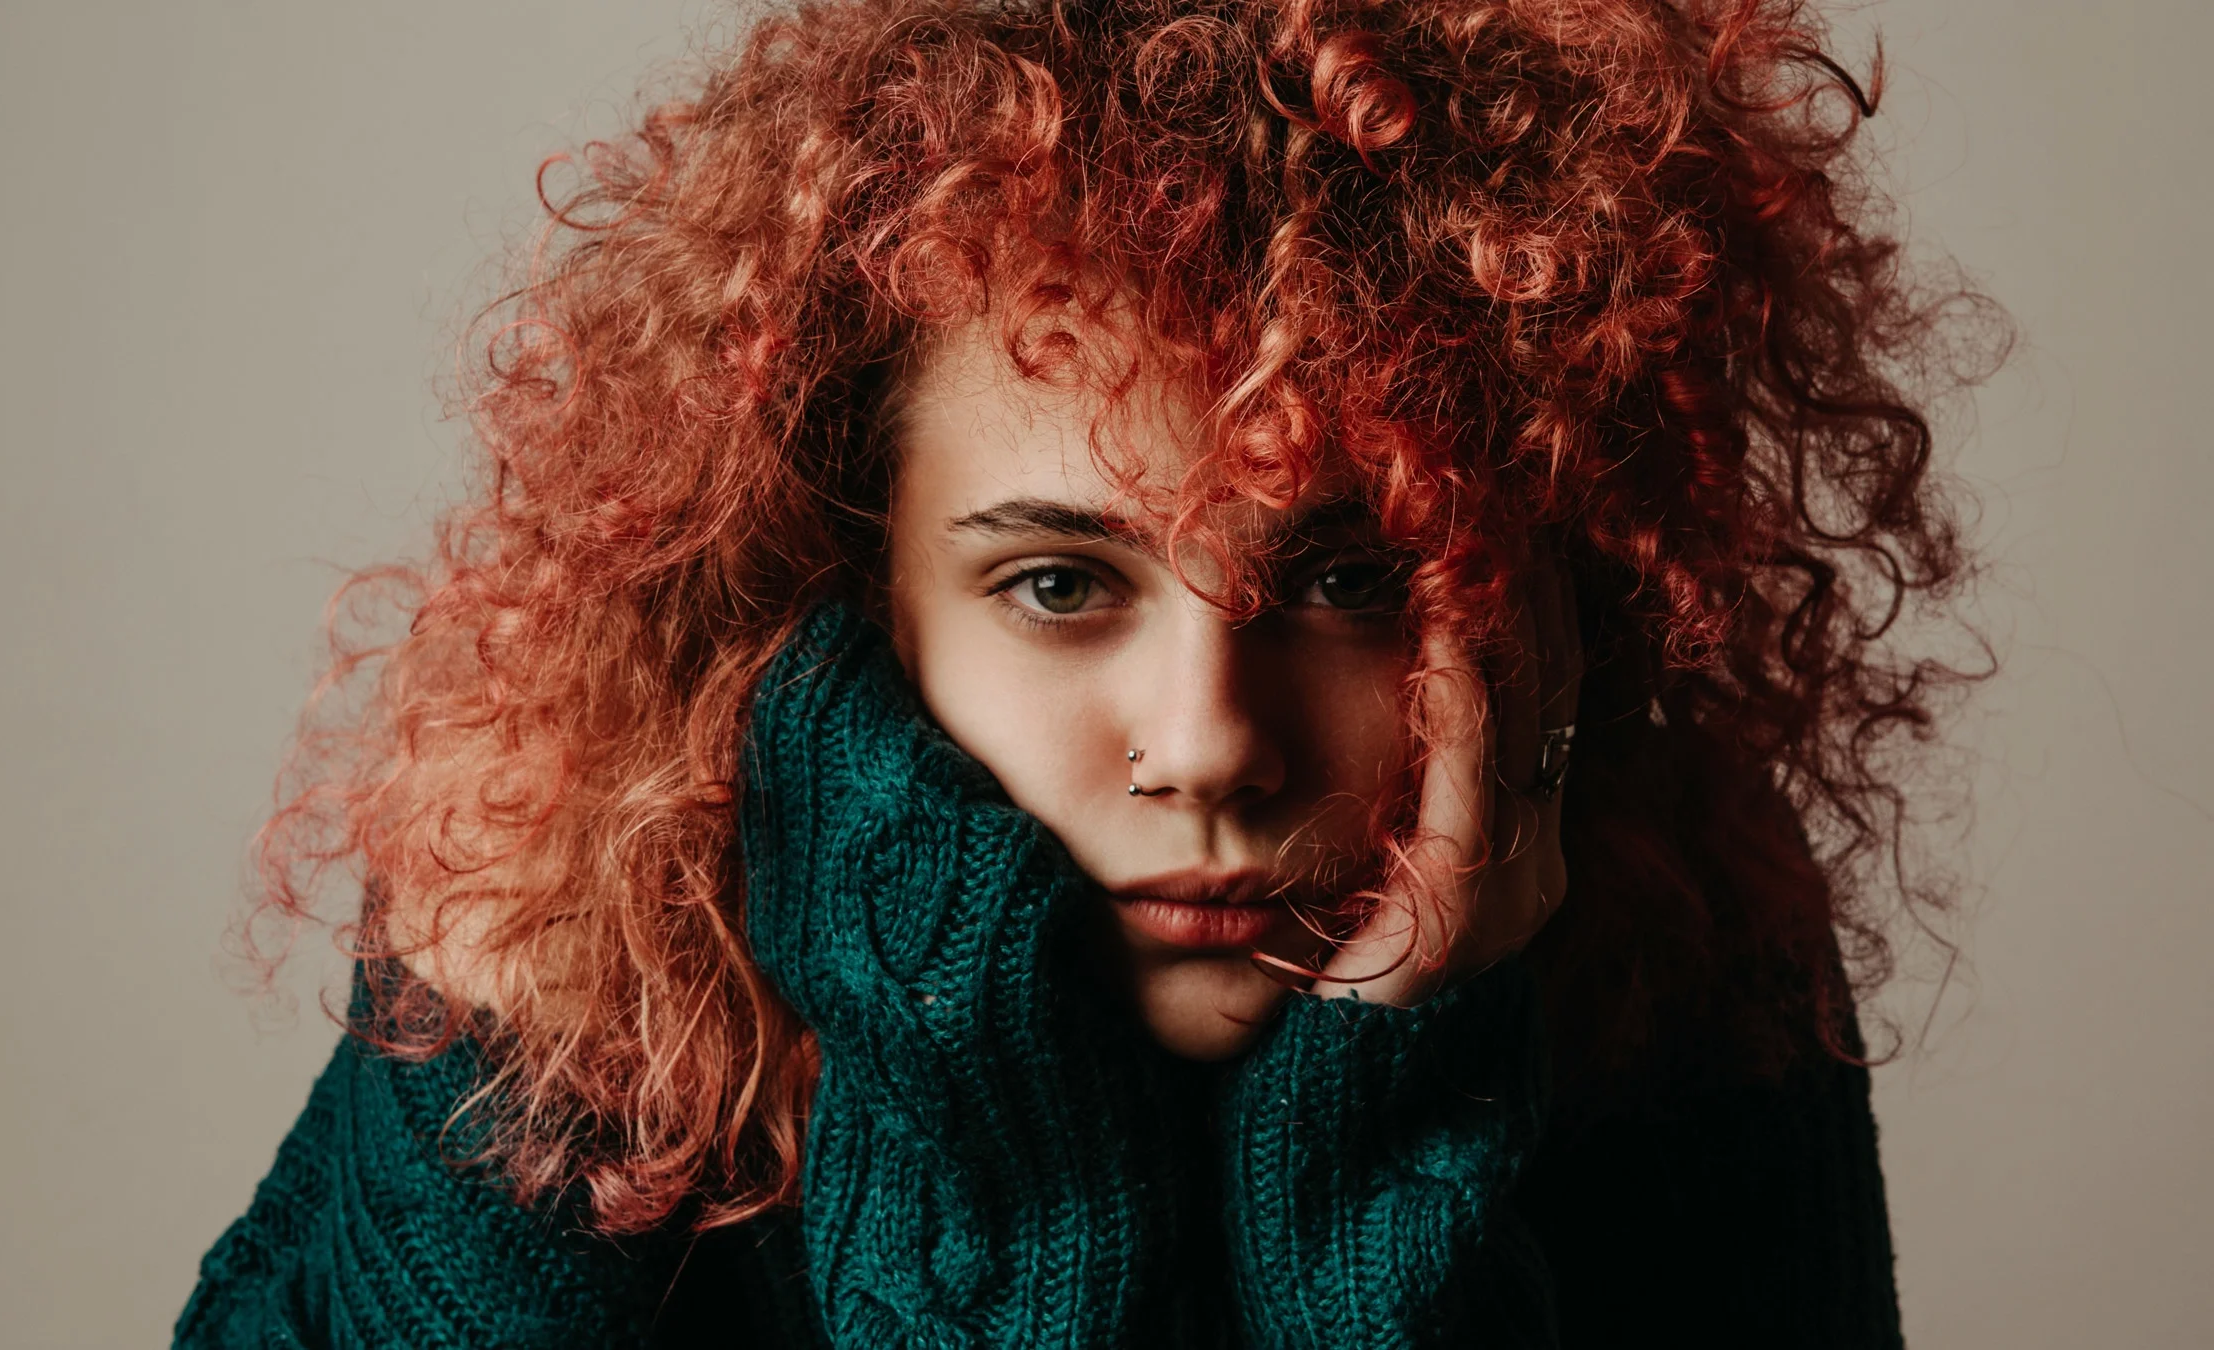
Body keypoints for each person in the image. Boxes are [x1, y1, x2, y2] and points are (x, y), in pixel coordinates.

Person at [180, 0, 1979, 1344]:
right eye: (1059, 581)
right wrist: (1003, 1187)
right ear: (844, 577)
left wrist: (1392, 1190)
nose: (1206, 742)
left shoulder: (1680, 988)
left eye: (1345, 579)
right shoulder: (555, 998)